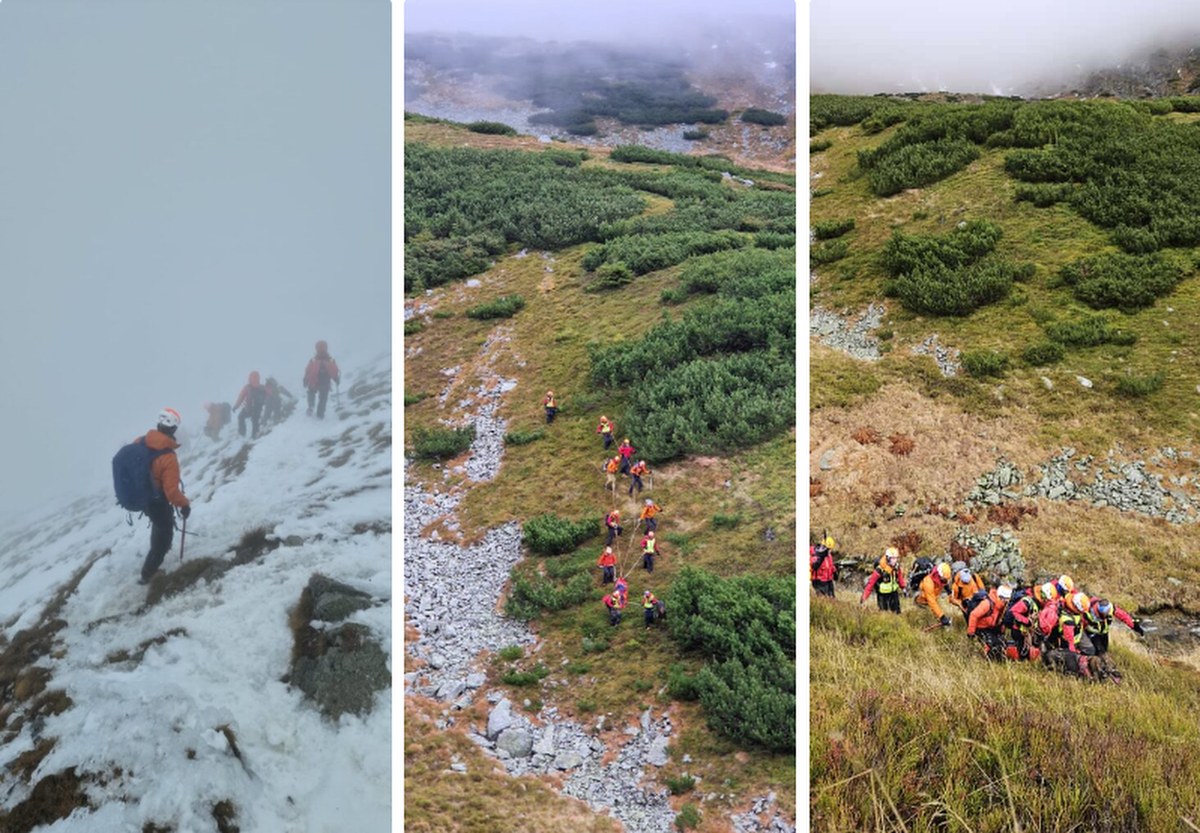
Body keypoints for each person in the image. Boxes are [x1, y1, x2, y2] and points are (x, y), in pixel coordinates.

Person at [137, 408, 192, 584]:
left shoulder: (140, 441)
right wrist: (184, 504)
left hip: (142, 497)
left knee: (159, 524)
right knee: (164, 535)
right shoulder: (167, 456)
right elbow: (171, 492)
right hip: (157, 500)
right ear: (174, 429)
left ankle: (153, 556)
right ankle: (148, 574)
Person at [967, 584, 1012, 659]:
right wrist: (971, 633)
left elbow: (1001, 618)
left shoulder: (1002, 605)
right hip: (980, 628)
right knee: (990, 644)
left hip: (991, 627)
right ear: (1002, 597)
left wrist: (1002, 631)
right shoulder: (987, 603)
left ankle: (996, 656)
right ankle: (986, 657)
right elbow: (973, 615)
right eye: (1007, 599)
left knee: (1001, 643)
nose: (1007, 602)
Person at [1001, 587, 1041, 662]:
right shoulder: (1027, 602)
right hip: (1018, 630)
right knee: (1017, 650)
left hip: (1024, 631)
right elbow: (1014, 612)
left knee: (1023, 650)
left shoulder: (1032, 602)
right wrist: (1028, 622)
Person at [860, 547, 905, 613]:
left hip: (894, 594)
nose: (894, 560)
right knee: (884, 615)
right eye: (892, 558)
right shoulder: (880, 570)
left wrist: (903, 587)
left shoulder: (896, 567)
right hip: (883, 596)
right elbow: (870, 584)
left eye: (895, 558)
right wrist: (864, 598)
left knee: (897, 614)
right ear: (888, 558)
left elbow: (900, 577)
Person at [304, 340, 341, 419]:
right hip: (325, 382)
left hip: (313, 381)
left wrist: (305, 379)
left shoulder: (313, 360)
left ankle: (311, 407)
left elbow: (308, 370)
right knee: (323, 398)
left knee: (311, 393)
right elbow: (334, 370)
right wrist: (336, 379)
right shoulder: (330, 360)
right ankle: (320, 413)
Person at [915, 563, 953, 628]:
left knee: (937, 612)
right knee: (925, 618)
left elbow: (944, 583)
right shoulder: (928, 583)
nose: (945, 581)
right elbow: (932, 602)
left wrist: (948, 590)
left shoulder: (941, 579)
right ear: (938, 575)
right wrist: (942, 617)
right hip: (922, 602)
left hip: (933, 599)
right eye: (944, 579)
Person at [233, 371, 267, 438]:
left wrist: (236, 406)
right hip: (257, 410)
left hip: (248, 409)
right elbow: (267, 398)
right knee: (255, 421)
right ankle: (254, 436)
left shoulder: (247, 387)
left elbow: (241, 397)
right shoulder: (262, 387)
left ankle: (242, 433)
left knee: (241, 417)